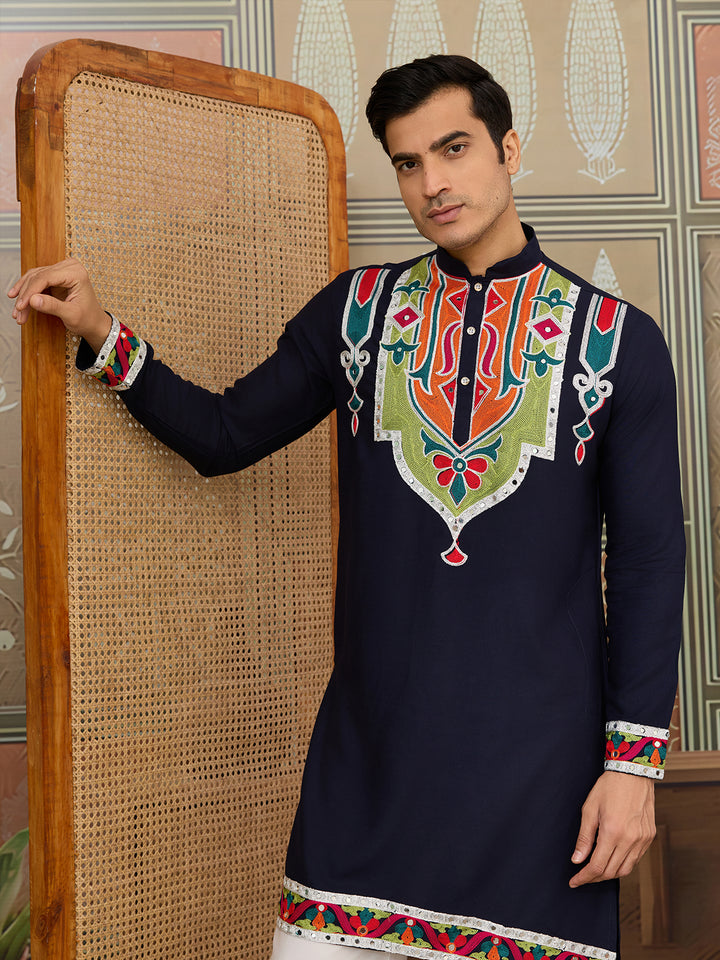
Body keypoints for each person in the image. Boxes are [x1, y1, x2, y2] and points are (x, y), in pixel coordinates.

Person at [10, 55, 684, 960]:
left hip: (541, 792)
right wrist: (101, 330)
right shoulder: (359, 316)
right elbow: (221, 434)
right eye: (407, 163)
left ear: (509, 147)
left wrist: (632, 768)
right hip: (366, 779)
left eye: (453, 148)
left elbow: (647, 564)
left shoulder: (621, 343)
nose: (432, 183)